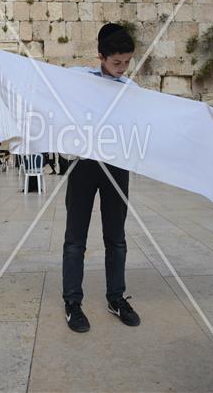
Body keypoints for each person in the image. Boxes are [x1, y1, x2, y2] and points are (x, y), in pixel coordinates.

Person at [62, 23, 140, 332]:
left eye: (127, 62)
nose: (122, 69)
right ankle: (72, 302)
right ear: (101, 57)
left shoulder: (131, 89)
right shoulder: (78, 79)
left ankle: (116, 297)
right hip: (83, 166)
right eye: (116, 62)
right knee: (75, 239)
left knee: (116, 238)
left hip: (117, 166)